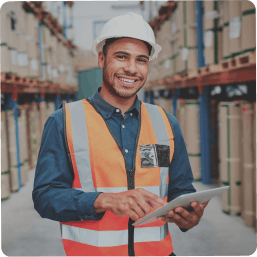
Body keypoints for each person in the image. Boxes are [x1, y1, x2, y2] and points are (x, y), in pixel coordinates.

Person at [33, 12, 209, 257]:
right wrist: (104, 200)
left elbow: (181, 189)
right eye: (121, 57)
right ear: (102, 59)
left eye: (141, 60)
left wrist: (187, 215)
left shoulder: (165, 123)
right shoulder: (64, 121)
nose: (131, 69)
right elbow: (45, 197)